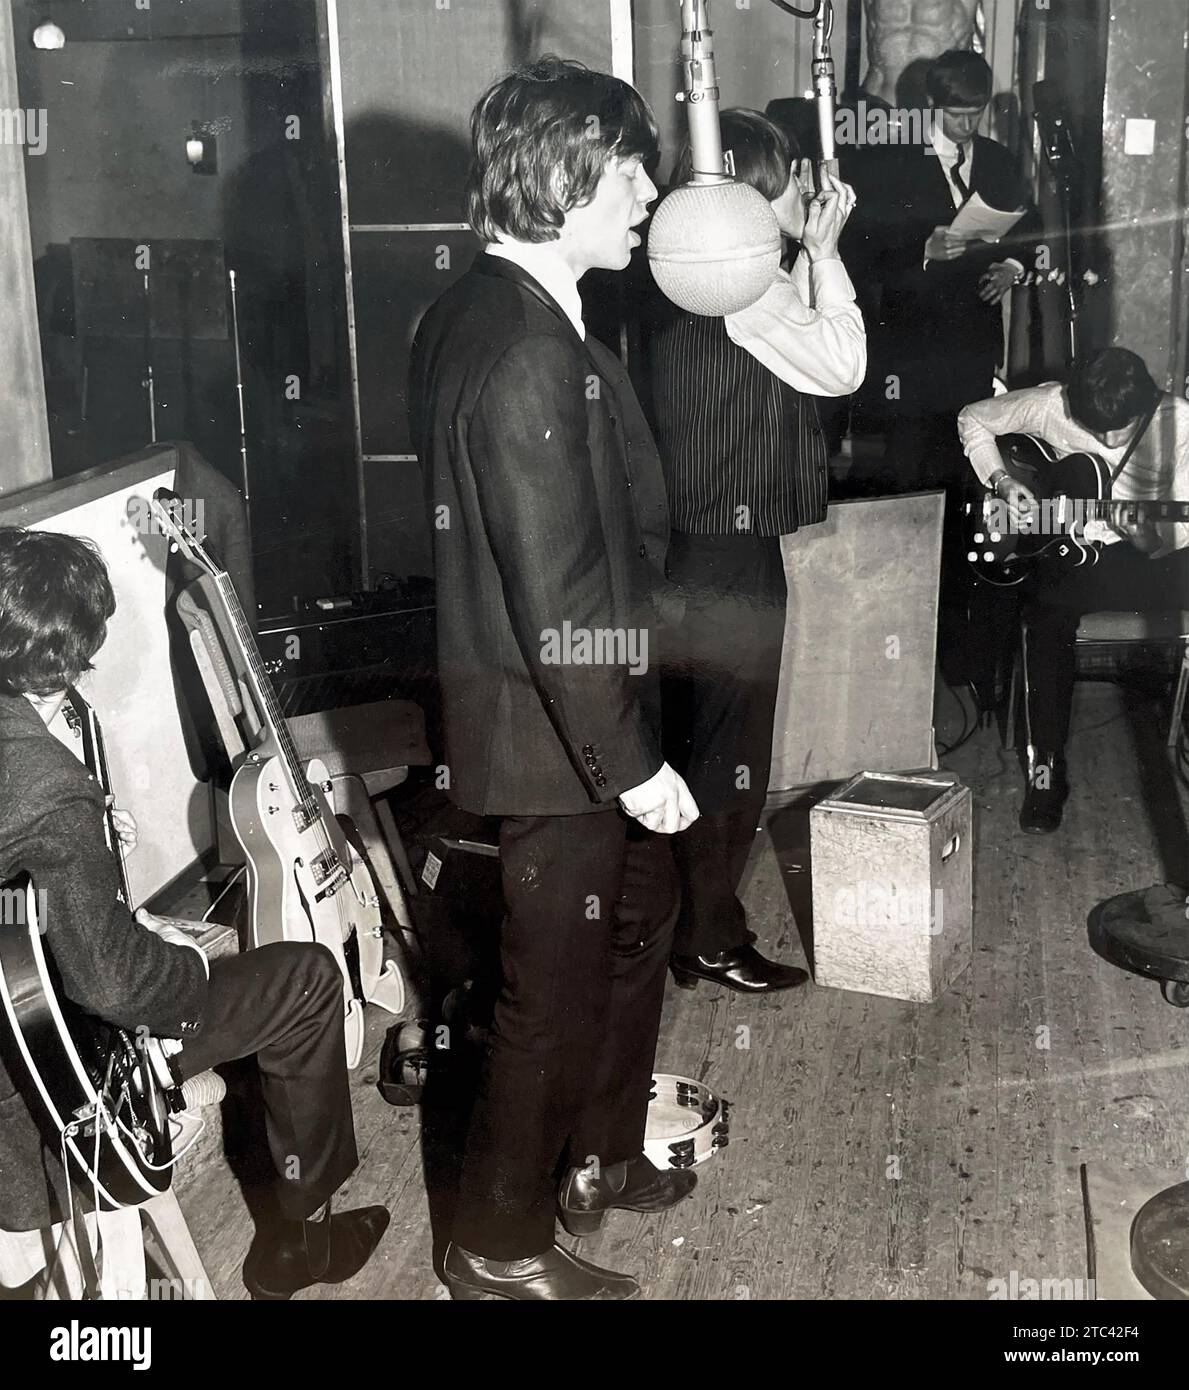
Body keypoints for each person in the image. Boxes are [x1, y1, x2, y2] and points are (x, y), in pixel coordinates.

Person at [409, 57, 700, 1302]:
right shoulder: (523, 344)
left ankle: (603, 1149)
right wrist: (630, 764)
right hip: (559, 730)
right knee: (550, 988)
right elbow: (558, 595)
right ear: (565, 170)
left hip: (566, 710)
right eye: (628, 166)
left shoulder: (497, 303)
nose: (650, 190)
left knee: (638, 929)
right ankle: (495, 1244)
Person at [0, 526, 388, 1300]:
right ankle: (300, 1244)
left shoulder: (38, 751)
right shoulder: (49, 783)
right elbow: (117, 990)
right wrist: (190, 959)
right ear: (65, 654)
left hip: (19, 1011)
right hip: (47, 1077)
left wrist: (83, 869)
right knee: (307, 979)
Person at [646, 109, 866, 993]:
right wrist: (822, 253)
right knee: (732, 757)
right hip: (734, 559)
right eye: (785, 182)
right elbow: (843, 363)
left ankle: (679, 928)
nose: (800, 196)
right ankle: (707, 938)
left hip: (683, 549)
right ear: (740, 187)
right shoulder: (746, 283)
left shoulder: (680, 273)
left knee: (690, 745)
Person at [958, 347, 1189, 832]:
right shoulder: (1052, 404)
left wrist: (1144, 534)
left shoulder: (1180, 426)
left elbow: (1175, 538)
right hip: (1065, 549)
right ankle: (1046, 771)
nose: (1105, 439)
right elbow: (973, 419)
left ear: (1146, 406)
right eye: (1093, 428)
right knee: (1047, 619)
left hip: (1142, 559)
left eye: (1118, 431)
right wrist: (1002, 482)